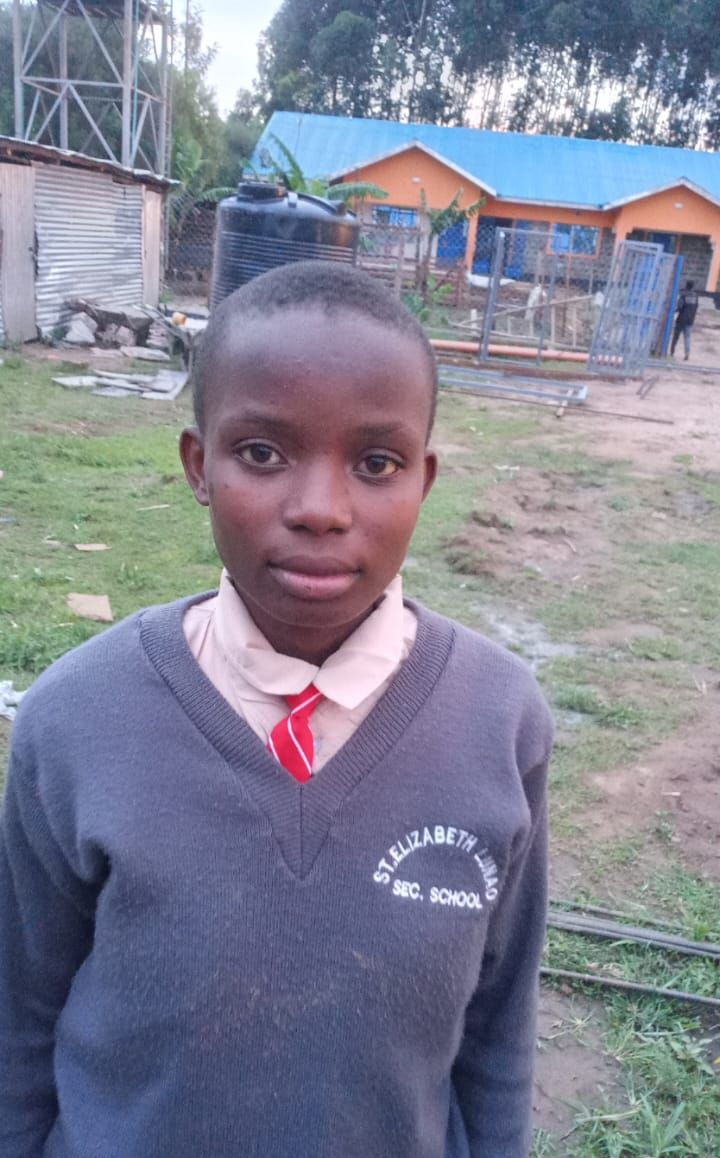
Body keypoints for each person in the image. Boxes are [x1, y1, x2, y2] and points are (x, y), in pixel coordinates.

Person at [0, 261, 553, 1158]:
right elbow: (18, 1018)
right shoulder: (75, 722)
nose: (320, 510)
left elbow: (498, 1030)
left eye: (377, 463)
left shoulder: (500, 720)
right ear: (198, 464)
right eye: (263, 453)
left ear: (424, 479)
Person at [671, 278, 699, 360]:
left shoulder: (683, 295)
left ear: (686, 285)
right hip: (690, 320)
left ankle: (672, 352)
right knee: (687, 337)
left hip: (681, 319)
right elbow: (696, 307)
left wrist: (674, 311)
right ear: (693, 286)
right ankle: (687, 353)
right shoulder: (696, 296)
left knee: (676, 336)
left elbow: (680, 307)